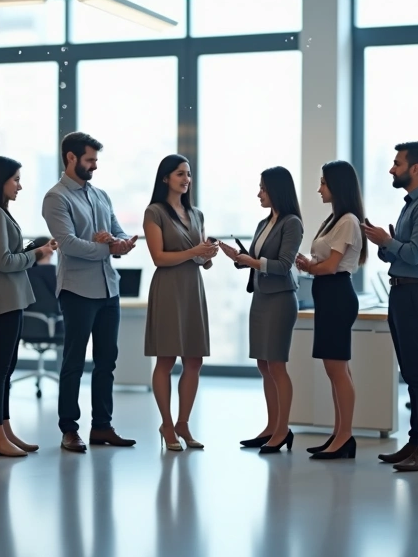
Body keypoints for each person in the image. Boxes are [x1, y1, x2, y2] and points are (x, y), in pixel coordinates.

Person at [42, 131, 140, 453]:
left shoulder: (101, 195)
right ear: (71, 158)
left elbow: (117, 230)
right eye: (90, 160)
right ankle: (69, 429)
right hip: (77, 290)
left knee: (106, 361)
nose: (94, 166)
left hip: (109, 289)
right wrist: (106, 247)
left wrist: (120, 243)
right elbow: (68, 245)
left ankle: (102, 427)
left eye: (96, 160)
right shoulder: (56, 198)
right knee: (73, 362)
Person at [363, 141, 418, 472]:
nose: (391, 169)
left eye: (397, 163)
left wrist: (387, 241)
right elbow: (401, 251)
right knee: (411, 372)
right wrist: (385, 244)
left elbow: (413, 255)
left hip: (415, 293)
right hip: (401, 291)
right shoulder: (412, 205)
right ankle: (415, 441)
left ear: (415, 168)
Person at [0, 156, 57, 457]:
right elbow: (5, 262)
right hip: (4, 299)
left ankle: (5, 430)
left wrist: (36, 250)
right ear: (2, 181)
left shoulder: (0, 212)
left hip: (14, 298)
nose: (20, 186)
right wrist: (37, 255)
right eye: (16, 180)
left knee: (6, 369)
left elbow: (9, 254)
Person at [219, 166, 303, 452]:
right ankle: (271, 426)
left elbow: (283, 265)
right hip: (261, 297)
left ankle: (283, 430)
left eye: (263, 189)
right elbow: (256, 260)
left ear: (277, 190)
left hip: (280, 298)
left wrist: (251, 261)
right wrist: (238, 258)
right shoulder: (263, 223)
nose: (259, 194)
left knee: (277, 364)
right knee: (263, 364)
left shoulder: (292, 223)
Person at [142, 154, 217, 451]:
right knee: (166, 358)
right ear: (165, 179)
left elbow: (198, 259)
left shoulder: (196, 214)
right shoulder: (154, 212)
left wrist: (206, 255)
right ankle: (167, 423)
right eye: (179, 174)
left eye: (188, 174)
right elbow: (158, 257)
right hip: (168, 288)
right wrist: (194, 252)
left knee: (194, 360)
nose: (186, 179)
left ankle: (183, 423)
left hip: (192, 288)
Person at [296, 160, 367, 460]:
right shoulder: (335, 219)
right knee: (334, 368)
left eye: (324, 183)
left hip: (337, 294)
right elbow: (322, 264)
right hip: (328, 294)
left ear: (337, 186)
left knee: (338, 369)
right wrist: (312, 266)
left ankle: (345, 436)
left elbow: (330, 266)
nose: (319, 188)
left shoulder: (348, 220)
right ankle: (338, 434)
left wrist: (310, 266)